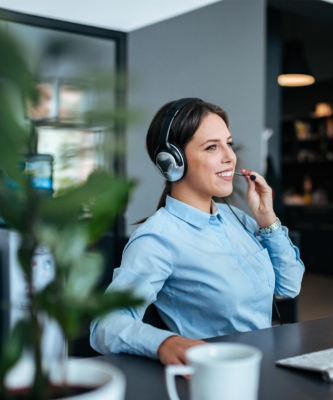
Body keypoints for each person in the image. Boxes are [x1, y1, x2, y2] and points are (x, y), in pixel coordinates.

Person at [90, 98, 304, 365]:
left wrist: (267, 220)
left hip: (264, 365)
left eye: (229, 143)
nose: (230, 157)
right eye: (212, 147)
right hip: (217, 375)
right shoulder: (158, 238)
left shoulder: (236, 219)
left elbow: (290, 286)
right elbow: (105, 326)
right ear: (172, 162)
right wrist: (164, 343)